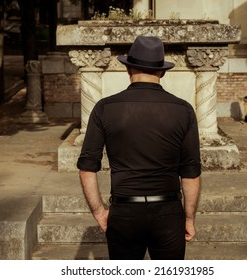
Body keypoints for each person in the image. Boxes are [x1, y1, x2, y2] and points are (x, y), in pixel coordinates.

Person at [77, 35, 201, 260]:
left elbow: (87, 167)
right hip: (168, 211)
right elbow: (190, 173)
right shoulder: (183, 110)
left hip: (124, 212)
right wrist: (189, 218)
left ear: (128, 69)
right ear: (162, 72)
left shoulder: (105, 108)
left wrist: (99, 211)